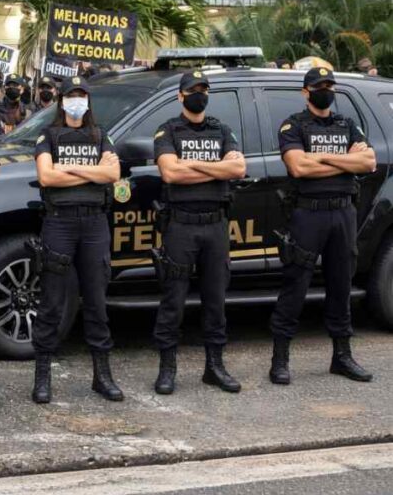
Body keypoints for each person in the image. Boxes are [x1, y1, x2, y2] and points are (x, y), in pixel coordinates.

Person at [269, 67, 376, 385]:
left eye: (330, 85)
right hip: (307, 215)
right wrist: (344, 158)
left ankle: (342, 357)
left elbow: (368, 162)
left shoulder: (347, 124)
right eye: (319, 85)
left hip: (343, 214)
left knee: (341, 287)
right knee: (295, 286)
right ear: (306, 91)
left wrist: (322, 159)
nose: (326, 90)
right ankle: (280, 359)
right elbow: (298, 166)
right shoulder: (294, 124)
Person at [152, 70, 246, 395]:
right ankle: (167, 369)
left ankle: (215, 367)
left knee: (215, 299)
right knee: (173, 300)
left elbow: (237, 168)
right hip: (181, 225)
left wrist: (190, 165)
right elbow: (170, 173)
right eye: (193, 89)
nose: (199, 94)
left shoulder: (221, 128)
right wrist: (215, 168)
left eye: (203, 89)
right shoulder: (168, 130)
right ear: (180, 96)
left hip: (215, 225)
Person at [31, 76, 122, 404]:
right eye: (72, 95)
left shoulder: (101, 134)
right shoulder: (49, 134)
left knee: (97, 301)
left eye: (82, 95)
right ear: (62, 100)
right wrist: (91, 170)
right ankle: (42, 375)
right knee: (52, 301)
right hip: (60, 223)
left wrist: (67, 170)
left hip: (94, 224)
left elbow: (113, 175)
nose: (77, 100)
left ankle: (103, 375)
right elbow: (46, 176)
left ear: (88, 100)